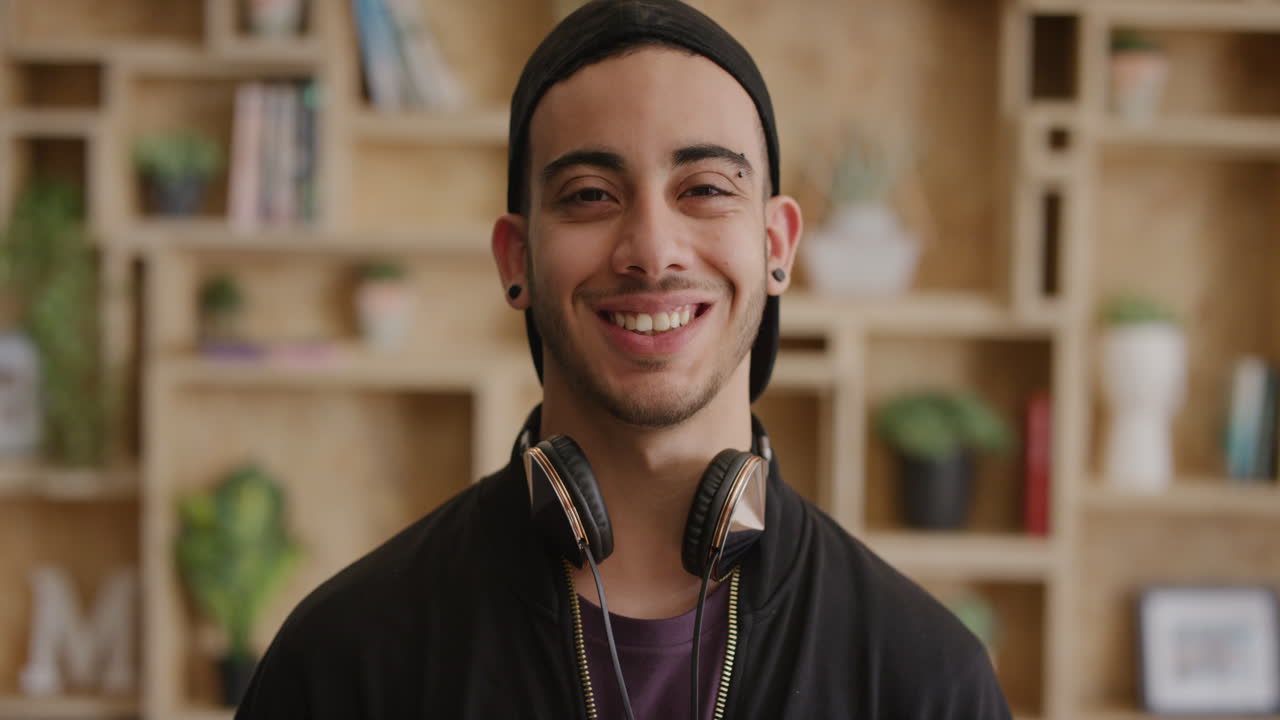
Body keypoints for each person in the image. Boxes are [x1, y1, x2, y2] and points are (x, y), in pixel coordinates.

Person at [235, 1, 1012, 718]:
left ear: (777, 247)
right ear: (516, 259)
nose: (652, 250)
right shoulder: (345, 663)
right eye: (588, 195)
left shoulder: (926, 683)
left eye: (705, 188)